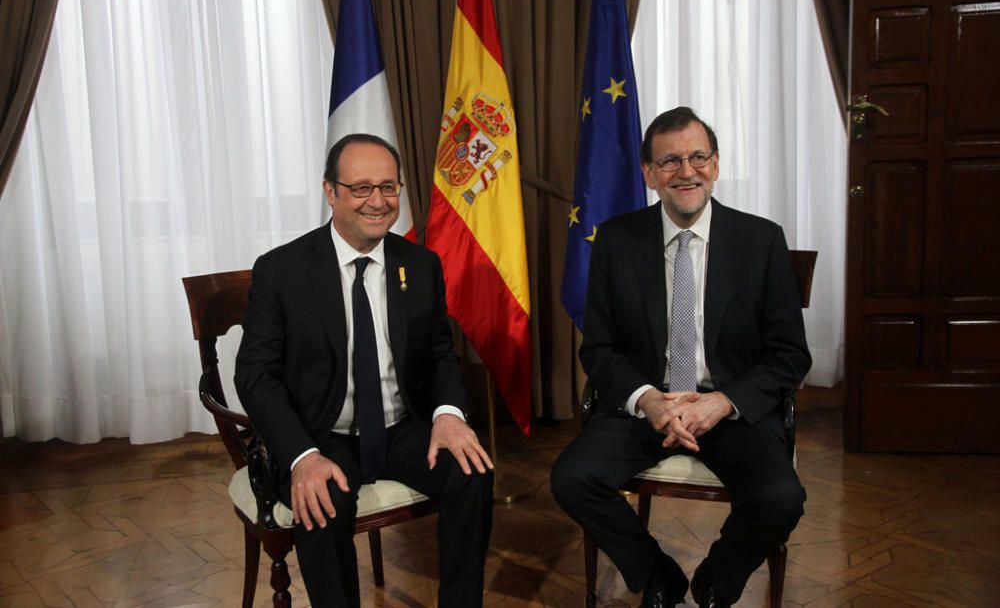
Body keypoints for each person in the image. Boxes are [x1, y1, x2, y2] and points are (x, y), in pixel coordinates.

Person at [551, 107, 810, 608]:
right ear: (649, 173)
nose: (685, 172)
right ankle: (657, 576)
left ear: (715, 164)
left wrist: (722, 403)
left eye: (697, 157)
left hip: (729, 410)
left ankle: (716, 581)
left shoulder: (761, 240)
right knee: (571, 479)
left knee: (781, 499)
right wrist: (648, 400)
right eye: (669, 161)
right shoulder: (617, 240)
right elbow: (600, 349)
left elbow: (789, 354)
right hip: (648, 407)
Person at [235, 133, 494, 608]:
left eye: (389, 187)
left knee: (472, 472)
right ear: (330, 192)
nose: (378, 202)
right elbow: (254, 375)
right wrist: (300, 456)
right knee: (321, 502)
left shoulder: (420, 264)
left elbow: (440, 352)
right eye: (361, 189)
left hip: (402, 426)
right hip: (321, 433)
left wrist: (449, 413)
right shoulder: (282, 271)